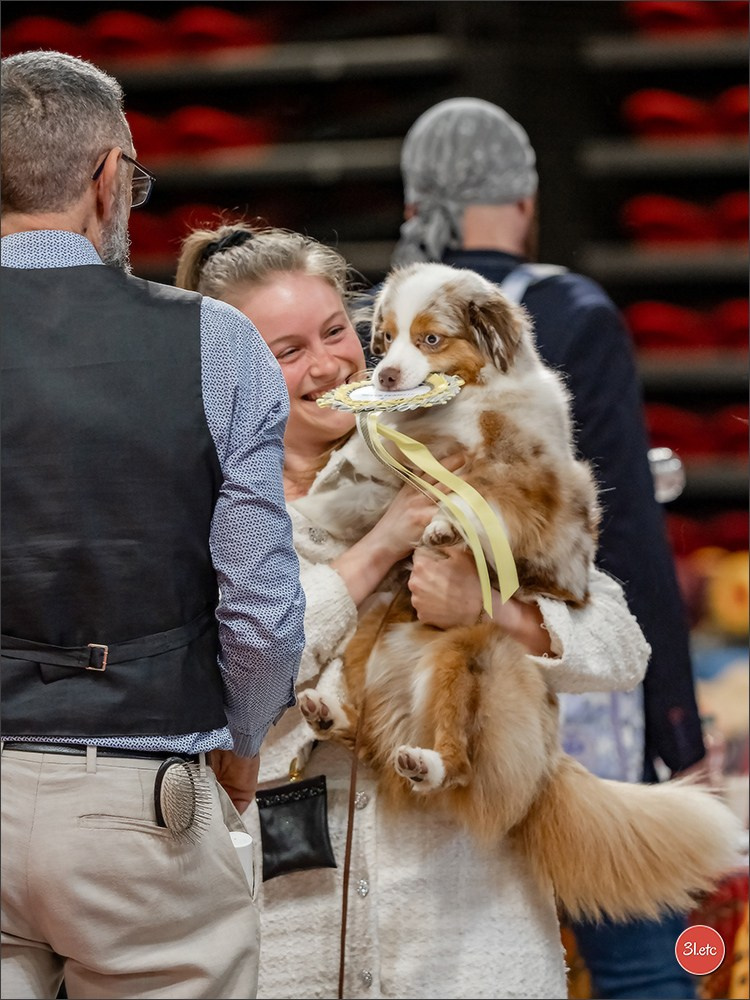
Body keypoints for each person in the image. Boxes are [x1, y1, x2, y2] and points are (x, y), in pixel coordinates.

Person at [175, 220, 652, 1000]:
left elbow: (621, 644)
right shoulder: (196, 507)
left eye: (338, 332)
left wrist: (493, 607)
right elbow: (227, 678)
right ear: (226, 366)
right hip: (289, 929)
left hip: (471, 925)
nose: (329, 364)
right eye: (287, 351)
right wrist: (376, 550)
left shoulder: (463, 448)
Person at [0, 51, 305, 1000]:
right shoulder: (213, 341)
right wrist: (245, 743)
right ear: (105, 178)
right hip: (138, 798)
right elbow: (259, 605)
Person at [392, 96, 706, 1000]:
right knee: (643, 952)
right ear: (524, 198)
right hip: (564, 666)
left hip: (432, 689)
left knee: (464, 953)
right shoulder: (571, 310)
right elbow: (631, 539)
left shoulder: (393, 319)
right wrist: (675, 723)